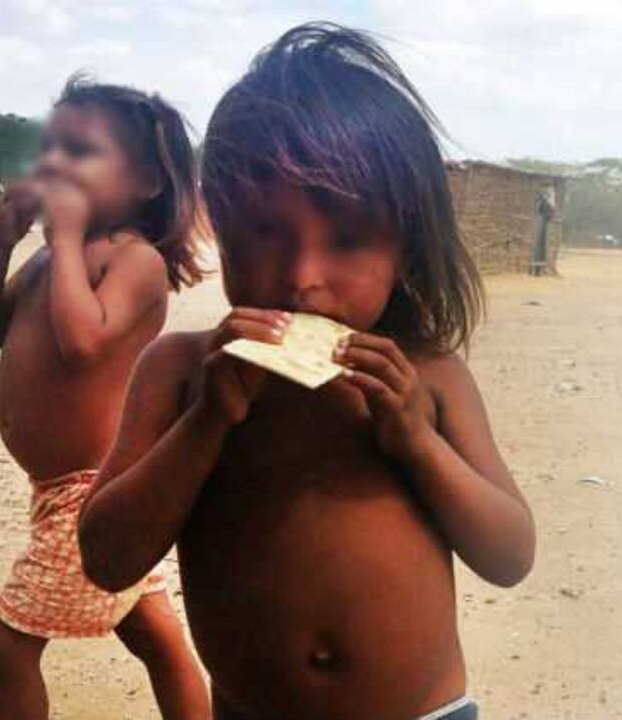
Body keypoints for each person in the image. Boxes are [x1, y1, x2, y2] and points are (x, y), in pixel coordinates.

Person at [78, 23, 536, 720]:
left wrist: (417, 443)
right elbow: (106, 558)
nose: (302, 279)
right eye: (263, 232)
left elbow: (509, 554)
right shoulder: (180, 372)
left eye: (348, 240)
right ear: (222, 227)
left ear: (404, 247)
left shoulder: (431, 379)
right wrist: (207, 422)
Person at [0, 75, 211, 720]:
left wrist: (64, 241)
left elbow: (84, 344)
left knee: (3, 652)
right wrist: (1, 242)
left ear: (148, 181)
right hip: (59, 492)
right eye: (51, 149)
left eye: (81, 151)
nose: (55, 165)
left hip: (92, 492)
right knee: (153, 635)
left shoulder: (134, 261)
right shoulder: (45, 262)